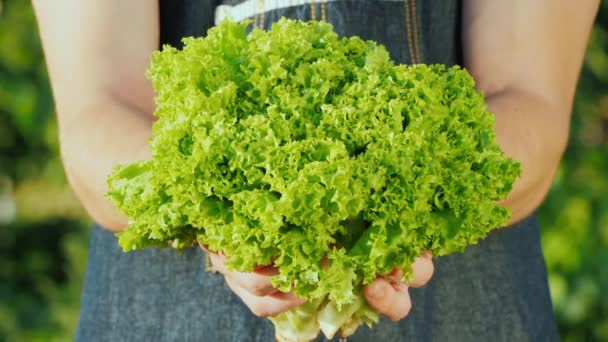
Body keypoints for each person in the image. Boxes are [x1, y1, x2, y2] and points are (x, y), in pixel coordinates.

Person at [32, 0, 598, 341]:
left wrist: (400, 219)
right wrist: (233, 227)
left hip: (463, 311)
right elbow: (98, 113)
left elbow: (532, 104)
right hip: (168, 315)